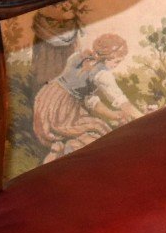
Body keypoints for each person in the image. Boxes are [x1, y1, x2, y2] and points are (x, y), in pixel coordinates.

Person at [32, 33, 139, 162]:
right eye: (117, 61)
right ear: (110, 57)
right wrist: (141, 116)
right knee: (98, 130)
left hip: (48, 98)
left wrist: (113, 115)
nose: (116, 65)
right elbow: (123, 103)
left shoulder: (80, 56)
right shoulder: (102, 74)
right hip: (63, 108)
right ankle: (67, 151)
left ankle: (58, 148)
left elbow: (90, 100)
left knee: (83, 128)